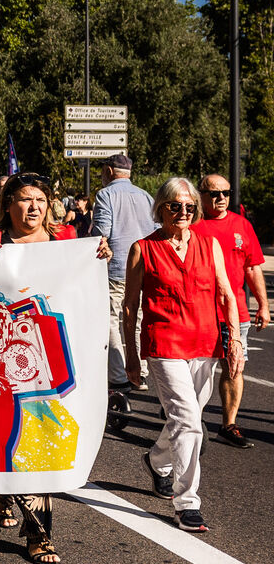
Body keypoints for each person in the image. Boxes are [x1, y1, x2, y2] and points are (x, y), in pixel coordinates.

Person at [0, 172, 111, 564]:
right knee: (6, 440)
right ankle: (4, 491)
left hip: (50, 361)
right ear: (7, 204)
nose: (33, 207)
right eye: (24, 199)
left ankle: (39, 533)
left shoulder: (67, 243)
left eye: (40, 200)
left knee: (39, 443)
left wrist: (98, 253)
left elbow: (83, 287)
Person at [125, 178, 243, 534]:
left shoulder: (209, 245)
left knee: (186, 417)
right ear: (161, 207)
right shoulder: (143, 249)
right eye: (175, 206)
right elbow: (130, 308)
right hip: (164, 345)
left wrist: (235, 341)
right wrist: (131, 357)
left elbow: (226, 294)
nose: (183, 212)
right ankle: (187, 503)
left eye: (190, 206)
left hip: (205, 344)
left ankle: (156, 461)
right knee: (189, 420)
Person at [192, 173, 268, 448]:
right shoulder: (192, 225)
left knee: (234, 368)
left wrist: (263, 304)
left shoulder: (241, 225)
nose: (221, 198)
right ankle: (188, 420)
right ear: (201, 195)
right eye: (214, 193)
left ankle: (229, 424)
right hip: (197, 313)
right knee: (195, 370)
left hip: (235, 313)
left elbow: (252, 267)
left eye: (226, 192)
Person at [92, 153, 155, 395]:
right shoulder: (146, 196)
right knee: (138, 321)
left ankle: (119, 376)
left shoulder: (105, 195)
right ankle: (141, 372)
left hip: (116, 266)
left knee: (110, 320)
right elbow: (157, 229)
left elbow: (102, 231)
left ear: (108, 171)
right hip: (144, 267)